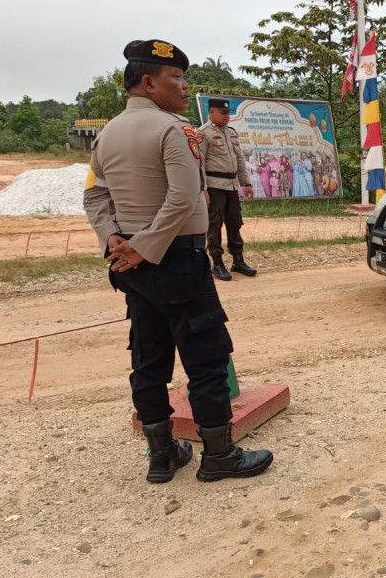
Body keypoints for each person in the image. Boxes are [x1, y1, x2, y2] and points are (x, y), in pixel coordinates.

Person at [83, 39, 272, 484]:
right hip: (178, 261)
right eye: (177, 78)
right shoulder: (175, 130)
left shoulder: (107, 133)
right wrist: (145, 245)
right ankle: (220, 455)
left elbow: (94, 193)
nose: (185, 87)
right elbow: (184, 196)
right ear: (148, 82)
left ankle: (162, 453)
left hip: (134, 268)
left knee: (149, 357)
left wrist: (116, 239)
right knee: (206, 356)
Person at [199, 98, 257, 281]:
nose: (226, 116)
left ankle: (238, 260)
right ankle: (217, 263)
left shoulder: (231, 133)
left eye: (227, 113)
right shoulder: (203, 133)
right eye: (222, 113)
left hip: (231, 186)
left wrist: (246, 183)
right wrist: (203, 189)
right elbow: (198, 163)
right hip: (214, 186)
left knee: (235, 222)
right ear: (211, 112)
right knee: (214, 225)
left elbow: (239, 159)